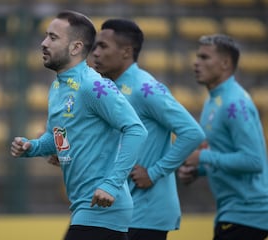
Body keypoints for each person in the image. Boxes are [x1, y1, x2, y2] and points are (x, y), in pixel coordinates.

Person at [10, 10, 148, 240]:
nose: (43, 43)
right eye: (45, 36)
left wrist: (111, 184)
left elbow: (136, 130)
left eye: (53, 38)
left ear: (75, 48)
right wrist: (32, 147)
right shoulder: (57, 88)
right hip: (84, 207)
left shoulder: (92, 86)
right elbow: (60, 137)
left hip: (102, 208)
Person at [91, 19, 206, 240]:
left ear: (126, 52)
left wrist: (154, 172)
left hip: (145, 215)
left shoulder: (145, 88)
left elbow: (192, 132)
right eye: (95, 46)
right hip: (119, 211)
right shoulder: (108, 88)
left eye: (103, 46)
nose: (95, 53)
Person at [178, 34, 268, 240]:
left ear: (225, 63)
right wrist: (197, 170)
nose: (196, 62)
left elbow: (253, 160)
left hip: (248, 213)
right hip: (234, 213)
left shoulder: (235, 103)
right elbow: (225, 153)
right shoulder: (214, 100)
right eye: (197, 56)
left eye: (204, 57)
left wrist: (202, 158)